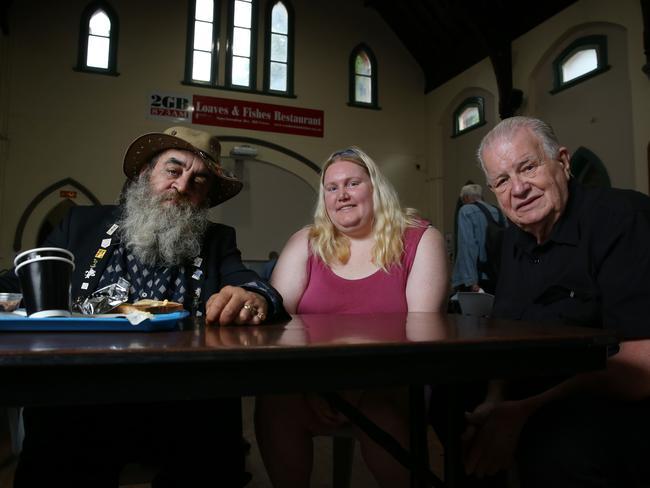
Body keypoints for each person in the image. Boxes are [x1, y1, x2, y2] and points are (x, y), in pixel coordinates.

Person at [0, 126, 286, 487]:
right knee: (56, 455)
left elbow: (249, 282)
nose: (182, 186)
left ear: (206, 198)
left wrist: (254, 296)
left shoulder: (216, 240)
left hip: (184, 400)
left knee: (214, 450)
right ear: (144, 174)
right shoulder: (82, 224)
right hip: (84, 395)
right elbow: (19, 283)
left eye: (198, 182)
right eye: (173, 170)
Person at [460, 116, 650, 487]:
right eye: (502, 181)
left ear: (563, 162)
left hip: (610, 399)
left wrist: (523, 412)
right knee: (455, 411)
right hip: (532, 391)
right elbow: (504, 334)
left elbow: (642, 365)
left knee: (555, 448)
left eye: (527, 167)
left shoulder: (623, 219)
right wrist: (496, 399)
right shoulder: (511, 240)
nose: (518, 188)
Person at [254, 147, 449, 487]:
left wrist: (357, 387)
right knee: (274, 401)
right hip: (313, 382)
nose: (341, 195)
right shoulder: (306, 241)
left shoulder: (421, 239)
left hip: (390, 381)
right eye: (332, 188)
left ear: (375, 188)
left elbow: (422, 334)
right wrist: (317, 383)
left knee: (380, 408)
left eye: (353, 183)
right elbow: (278, 322)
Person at [451, 183, 504, 293]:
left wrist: (471, 281)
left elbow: (468, 245)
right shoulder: (497, 211)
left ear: (465, 198)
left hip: (478, 278)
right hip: (498, 276)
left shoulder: (466, 211)